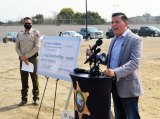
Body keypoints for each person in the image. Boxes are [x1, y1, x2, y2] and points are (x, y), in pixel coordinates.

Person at [86, 12, 143, 119]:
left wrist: (115, 72)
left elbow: (134, 62)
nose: (113, 25)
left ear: (125, 23)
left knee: (132, 117)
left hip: (128, 88)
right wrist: (94, 55)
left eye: (117, 22)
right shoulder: (114, 40)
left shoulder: (135, 39)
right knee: (119, 116)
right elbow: (109, 60)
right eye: (112, 22)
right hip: (114, 86)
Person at [15, 17, 41, 106]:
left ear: (32, 23)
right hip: (22, 60)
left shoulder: (36, 33)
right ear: (23, 23)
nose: (27, 24)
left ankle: (36, 98)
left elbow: (37, 47)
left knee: (34, 79)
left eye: (29, 23)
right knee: (24, 80)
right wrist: (22, 57)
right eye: (26, 23)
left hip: (33, 59)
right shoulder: (19, 34)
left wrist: (26, 56)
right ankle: (24, 99)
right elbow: (17, 47)